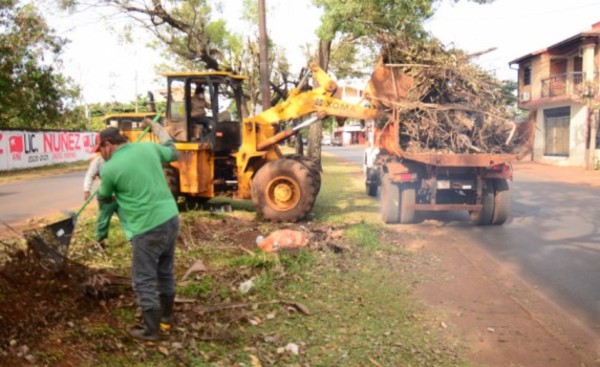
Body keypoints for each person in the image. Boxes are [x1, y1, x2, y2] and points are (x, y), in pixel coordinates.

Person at [94, 123, 180, 344]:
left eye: (99, 150)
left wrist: (101, 233)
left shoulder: (110, 170)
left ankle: (151, 332)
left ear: (108, 145)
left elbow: (104, 202)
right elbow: (173, 151)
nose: (100, 156)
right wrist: (159, 129)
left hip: (147, 228)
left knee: (143, 280)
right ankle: (166, 321)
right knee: (165, 271)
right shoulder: (148, 147)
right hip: (171, 218)